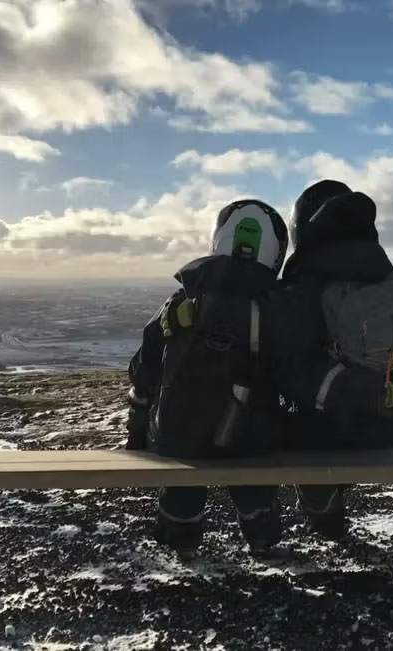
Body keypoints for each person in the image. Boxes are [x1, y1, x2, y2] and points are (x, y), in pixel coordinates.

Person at [125, 199, 291, 559]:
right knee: (255, 485)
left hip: (179, 435)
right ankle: (262, 539)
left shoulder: (184, 298)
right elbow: (293, 372)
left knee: (181, 484)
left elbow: (145, 365)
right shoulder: (278, 306)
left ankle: (180, 540)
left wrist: (137, 429)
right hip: (252, 439)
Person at [279, 180, 393, 540]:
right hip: (383, 432)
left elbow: (294, 370)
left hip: (320, 439)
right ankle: (327, 507)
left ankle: (321, 514)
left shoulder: (306, 287)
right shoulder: (387, 279)